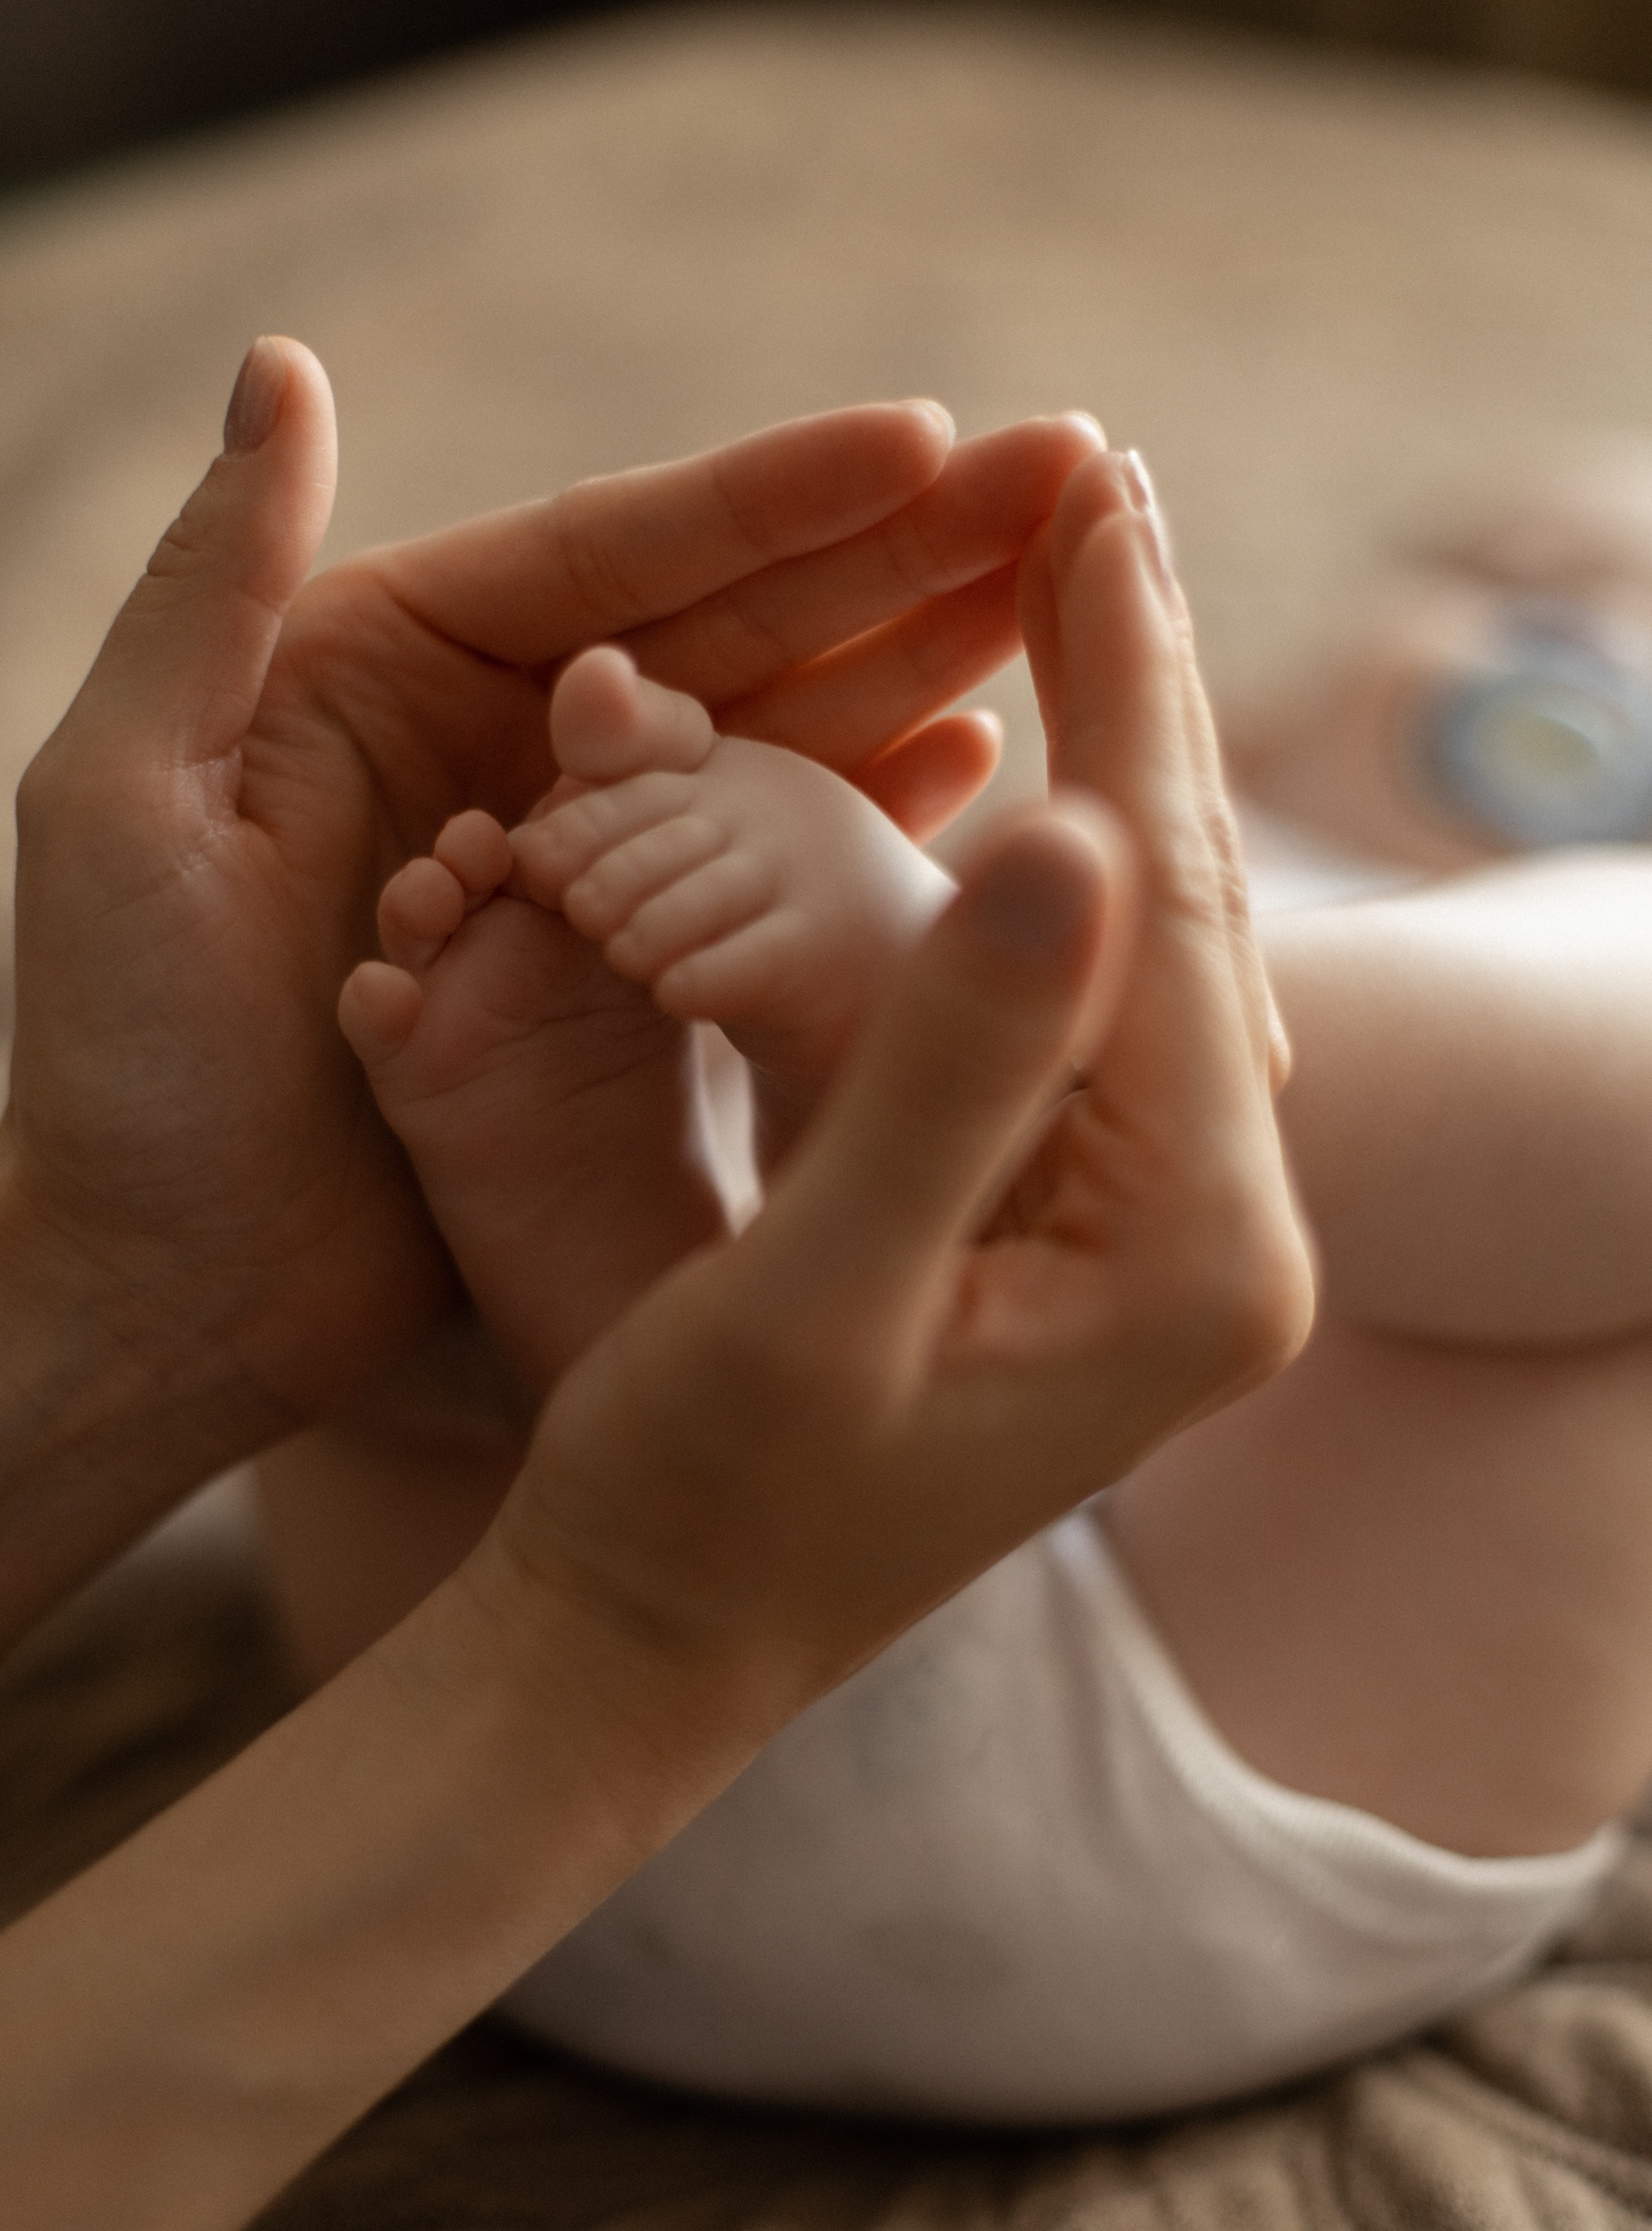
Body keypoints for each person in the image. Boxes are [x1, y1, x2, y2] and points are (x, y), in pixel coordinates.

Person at [0, 337, 1307, 2231]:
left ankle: (656, 1242)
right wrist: (619, 1637)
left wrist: (134, 1304)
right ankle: (880, 1081)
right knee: (1528, 1033)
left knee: (404, 1365)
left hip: (532, 1867)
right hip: (1081, 1785)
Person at [272, 422, 1652, 2128]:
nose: (1609, 667)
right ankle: (581, 1285)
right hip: (487, 1716)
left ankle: (993, 1078)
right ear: (1274, 711)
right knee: (647, 981)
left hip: (1210, 1752)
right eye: (1536, 591)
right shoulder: (1073, 846)